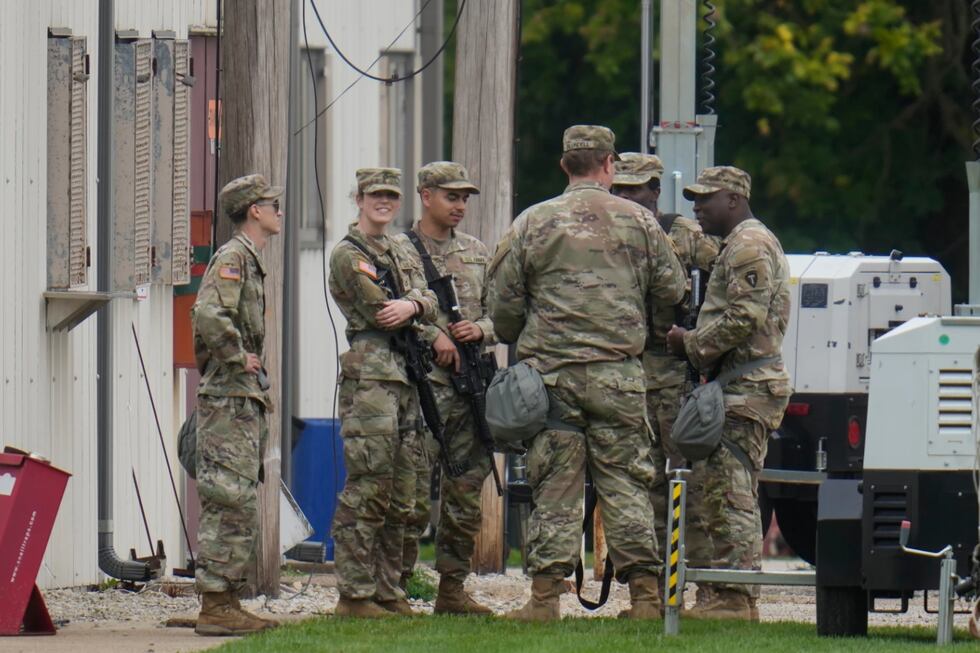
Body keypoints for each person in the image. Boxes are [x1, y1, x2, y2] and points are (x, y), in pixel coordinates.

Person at [489, 125, 686, 621]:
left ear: (564, 165)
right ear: (609, 165)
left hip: (550, 380)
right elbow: (672, 291)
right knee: (626, 483)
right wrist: (647, 326)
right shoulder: (641, 221)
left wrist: (525, 333)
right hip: (619, 375)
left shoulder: (532, 222)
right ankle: (644, 597)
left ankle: (543, 600)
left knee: (555, 485)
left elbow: (504, 306)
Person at [665, 166, 792, 621]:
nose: (697, 208)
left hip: (746, 388)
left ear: (734, 200)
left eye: (706, 199)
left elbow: (745, 317)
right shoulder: (738, 244)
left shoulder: (748, 245)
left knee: (732, 489)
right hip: (735, 385)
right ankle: (720, 594)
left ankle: (736, 598)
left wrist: (690, 343)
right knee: (715, 488)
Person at [328, 168, 439, 618]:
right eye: (376, 194)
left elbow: (427, 299)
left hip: (405, 376)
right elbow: (379, 310)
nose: (384, 202)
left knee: (404, 491)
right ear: (358, 198)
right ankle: (354, 594)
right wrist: (414, 306)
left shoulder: (401, 248)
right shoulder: (347, 254)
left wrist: (413, 303)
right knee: (369, 487)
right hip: (371, 379)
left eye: (391, 195)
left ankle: (389, 590)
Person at [611, 153, 720, 603]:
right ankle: (649, 590)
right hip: (629, 371)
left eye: (635, 190)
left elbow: (717, 270)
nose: (627, 198)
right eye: (618, 190)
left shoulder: (682, 232)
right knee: (642, 484)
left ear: (655, 192)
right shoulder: (606, 233)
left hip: (675, 372)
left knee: (689, 483)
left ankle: (708, 588)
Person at [394, 161, 496, 615]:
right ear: (426, 195)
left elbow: (503, 310)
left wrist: (482, 329)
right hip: (420, 389)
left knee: (465, 493)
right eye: (451, 196)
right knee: (411, 494)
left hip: (468, 391)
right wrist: (431, 332)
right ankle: (395, 586)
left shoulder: (476, 252)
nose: (459, 206)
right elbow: (387, 312)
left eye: (464, 198)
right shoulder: (401, 250)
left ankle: (452, 589)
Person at [191, 173, 283, 636]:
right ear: (255, 211)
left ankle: (224, 598)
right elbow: (209, 313)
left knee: (238, 497)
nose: (278, 212)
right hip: (229, 397)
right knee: (229, 496)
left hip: (239, 397)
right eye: (273, 204)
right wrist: (236, 355)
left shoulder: (247, 259)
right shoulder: (234, 258)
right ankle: (216, 603)